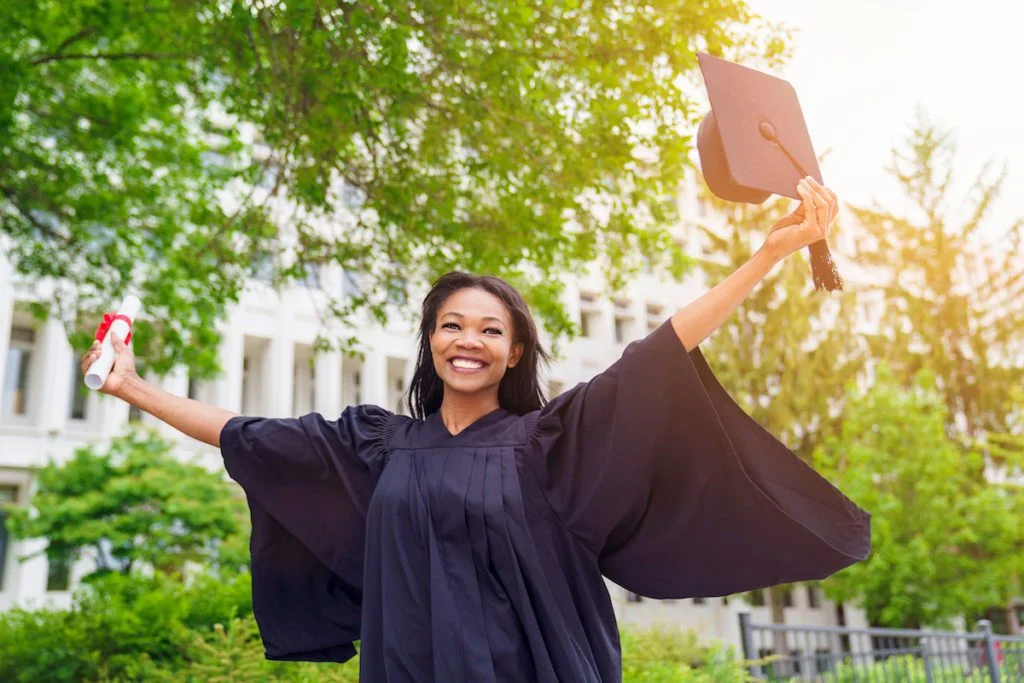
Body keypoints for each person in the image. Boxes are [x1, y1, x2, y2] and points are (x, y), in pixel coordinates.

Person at [81, 175, 870, 682]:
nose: (468, 339)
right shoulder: (375, 446)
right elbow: (247, 434)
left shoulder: (548, 445)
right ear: (430, 341)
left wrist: (767, 254)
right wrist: (130, 385)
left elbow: (658, 352)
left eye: (489, 329)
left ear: (515, 349)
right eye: (451, 324)